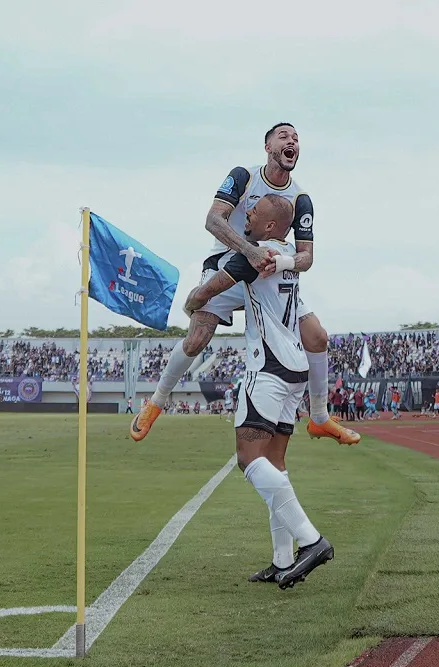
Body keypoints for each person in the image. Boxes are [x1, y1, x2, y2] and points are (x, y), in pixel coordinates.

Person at [130, 123, 359, 447]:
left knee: (317, 337)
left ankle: (320, 418)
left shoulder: (300, 199)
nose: (291, 141)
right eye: (284, 136)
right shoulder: (244, 176)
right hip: (228, 261)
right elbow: (213, 219)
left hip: (269, 268)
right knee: (196, 339)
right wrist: (248, 251)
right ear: (267, 147)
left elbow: (307, 257)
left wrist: (279, 261)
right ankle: (156, 401)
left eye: (296, 138)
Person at [181, 193, 333, 588]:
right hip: (296, 368)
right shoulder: (286, 255)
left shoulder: (254, 254)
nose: (246, 211)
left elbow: (206, 293)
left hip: (266, 367)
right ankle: (283, 560)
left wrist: (192, 301)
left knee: (249, 461)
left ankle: (311, 541)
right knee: (275, 464)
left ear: (268, 226)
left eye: (254, 210)